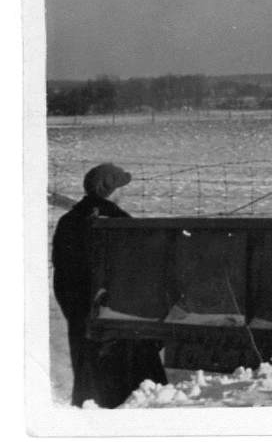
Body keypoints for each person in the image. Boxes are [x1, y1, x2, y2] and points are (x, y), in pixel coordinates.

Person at [52, 163, 166, 408]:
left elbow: (61, 276)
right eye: (120, 186)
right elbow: (139, 274)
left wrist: (75, 311)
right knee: (129, 384)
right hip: (118, 315)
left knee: (88, 382)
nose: (123, 191)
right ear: (110, 190)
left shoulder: (67, 221)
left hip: (80, 312)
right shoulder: (119, 222)